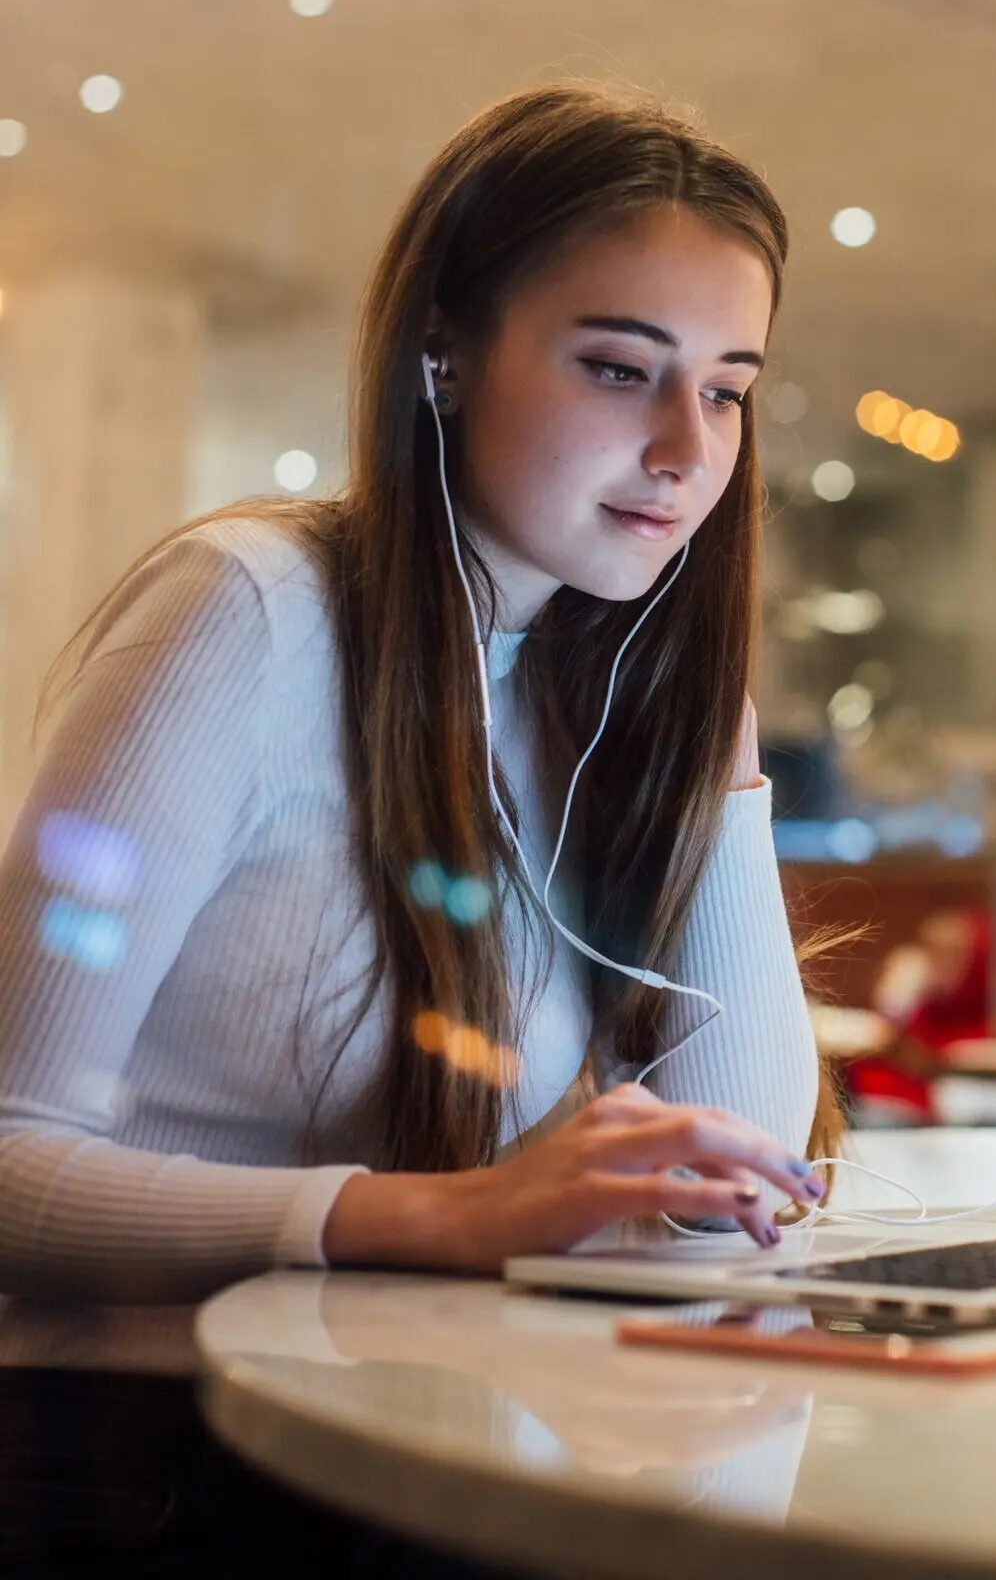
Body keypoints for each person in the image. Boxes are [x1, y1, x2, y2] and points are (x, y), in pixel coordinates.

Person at [0, 82, 828, 1314]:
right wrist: (446, 1213)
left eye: (723, 389)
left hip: (413, 1421)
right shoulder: (246, 612)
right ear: (444, 355)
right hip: (150, 1459)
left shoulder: (591, 689)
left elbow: (734, 1176)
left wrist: (718, 754)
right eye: (618, 367)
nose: (687, 450)